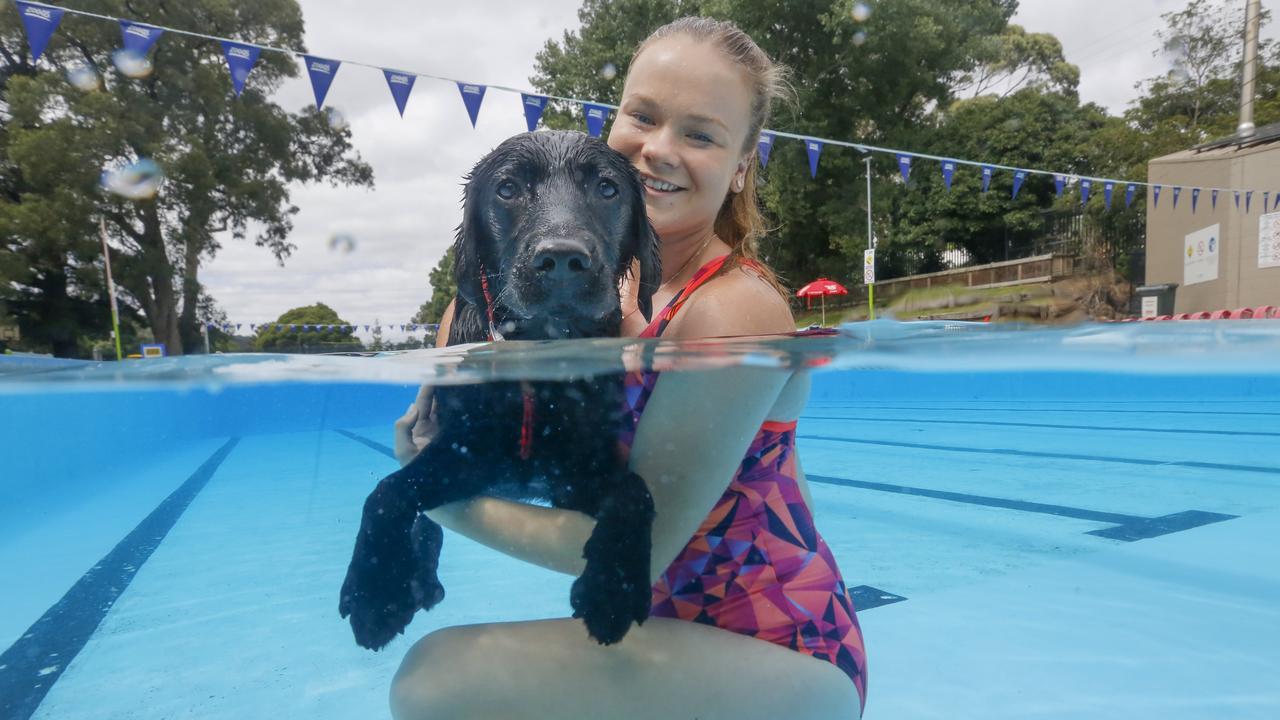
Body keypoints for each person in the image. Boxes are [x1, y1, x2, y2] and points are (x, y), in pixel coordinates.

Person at [388, 17, 866, 719]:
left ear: (740, 166)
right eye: (642, 116)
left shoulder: (731, 308)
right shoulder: (587, 295)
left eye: (700, 134)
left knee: (433, 677)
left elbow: (633, 551)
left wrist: (423, 497)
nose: (657, 150)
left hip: (781, 650)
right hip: (668, 638)